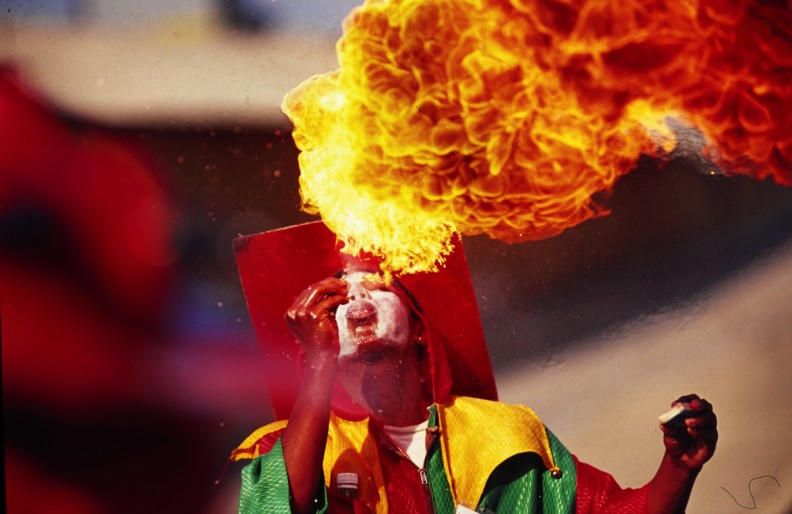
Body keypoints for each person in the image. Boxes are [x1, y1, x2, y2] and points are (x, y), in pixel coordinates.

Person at [230, 223, 717, 514]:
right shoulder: (283, 448)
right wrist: (317, 362)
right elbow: (278, 507)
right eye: (337, 293)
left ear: (418, 327)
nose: (356, 297)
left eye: (376, 286)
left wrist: (678, 467)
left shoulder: (507, 435)